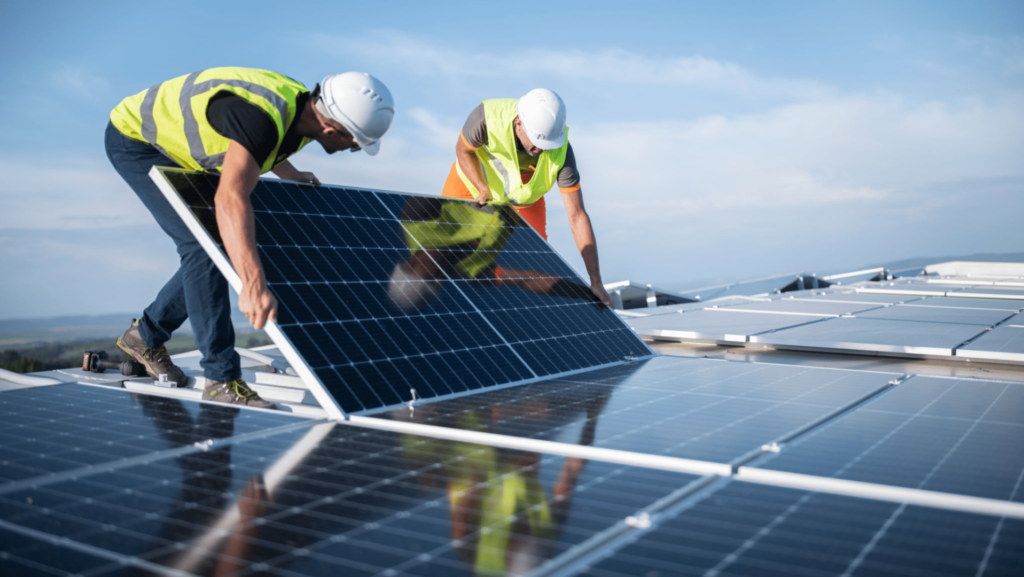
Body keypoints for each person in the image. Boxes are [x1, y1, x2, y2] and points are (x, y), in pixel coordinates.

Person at [105, 67, 394, 407]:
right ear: (333, 127)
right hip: (138, 140)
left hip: (178, 149)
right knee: (203, 247)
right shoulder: (263, 116)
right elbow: (230, 196)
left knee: (227, 244)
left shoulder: (303, 109)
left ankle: (145, 336)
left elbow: (260, 145)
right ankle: (221, 379)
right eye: (356, 142)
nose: (354, 149)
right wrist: (253, 285)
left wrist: (290, 173)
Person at [441, 89, 613, 307]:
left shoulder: (562, 153)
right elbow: (463, 150)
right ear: (519, 123)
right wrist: (481, 188)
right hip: (471, 185)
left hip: (524, 199)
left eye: (547, 144)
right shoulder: (486, 117)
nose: (541, 149)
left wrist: (595, 280)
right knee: (446, 251)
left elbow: (577, 216)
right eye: (536, 141)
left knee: (534, 262)